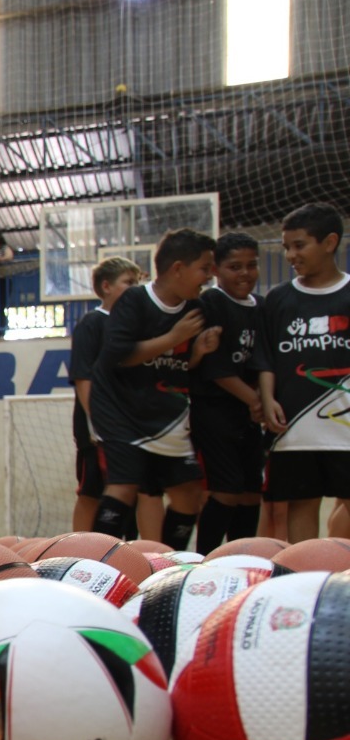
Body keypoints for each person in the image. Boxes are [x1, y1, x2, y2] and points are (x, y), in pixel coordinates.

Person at [88, 228, 220, 550]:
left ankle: (170, 560)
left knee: (189, 492)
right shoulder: (135, 300)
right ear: (178, 268)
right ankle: (96, 559)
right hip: (119, 407)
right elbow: (120, 357)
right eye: (204, 268)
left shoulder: (197, 308)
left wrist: (198, 352)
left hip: (166, 412)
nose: (209, 276)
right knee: (125, 485)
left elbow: (178, 364)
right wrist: (173, 338)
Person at [256, 204, 350, 543]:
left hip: (345, 428)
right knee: (301, 505)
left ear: (329, 242)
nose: (290, 255)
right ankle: (304, 571)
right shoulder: (278, 299)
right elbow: (266, 358)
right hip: (294, 428)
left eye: (299, 245)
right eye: (286, 247)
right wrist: (267, 399)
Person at [191, 233, 265, 552]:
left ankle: (241, 558)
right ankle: (204, 558)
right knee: (226, 489)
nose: (245, 273)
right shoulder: (210, 303)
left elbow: (264, 362)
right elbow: (216, 369)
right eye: (235, 266)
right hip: (214, 411)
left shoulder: (262, 306)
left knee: (251, 492)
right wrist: (257, 401)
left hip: (249, 413)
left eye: (251, 265)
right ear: (216, 270)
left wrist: (261, 401)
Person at [69, 257, 140, 533]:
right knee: (91, 491)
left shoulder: (136, 327)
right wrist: (97, 422)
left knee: (132, 490)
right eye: (128, 282)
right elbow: (83, 378)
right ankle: (79, 547)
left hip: (131, 426)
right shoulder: (92, 323)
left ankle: (128, 545)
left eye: (138, 283)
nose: (135, 288)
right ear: (106, 286)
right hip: (98, 429)